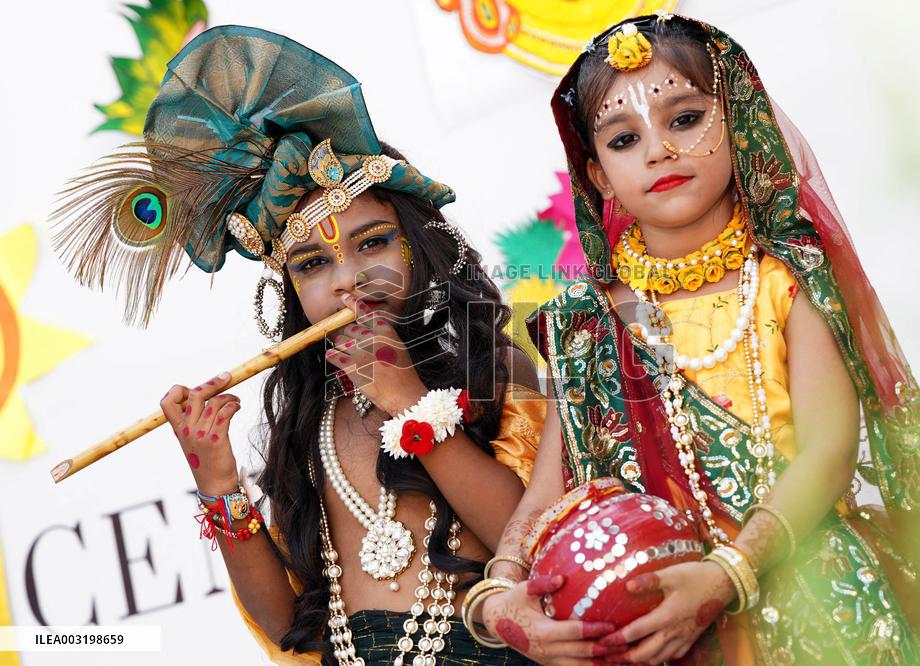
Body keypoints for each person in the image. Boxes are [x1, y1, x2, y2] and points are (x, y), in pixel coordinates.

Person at [464, 12, 920, 665]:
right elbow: (550, 488)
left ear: (735, 122)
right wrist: (499, 590)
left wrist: (729, 573)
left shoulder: (785, 280)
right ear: (598, 174)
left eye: (685, 119)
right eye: (625, 139)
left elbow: (828, 453)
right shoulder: (585, 318)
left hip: (814, 605)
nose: (659, 150)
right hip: (654, 628)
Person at [52, 26, 548, 665]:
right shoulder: (309, 419)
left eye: (373, 243)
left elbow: (532, 544)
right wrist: (218, 482)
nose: (348, 278)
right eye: (313, 264)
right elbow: (289, 623)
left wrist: (409, 402)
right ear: (288, 291)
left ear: (419, 244)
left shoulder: (491, 369)